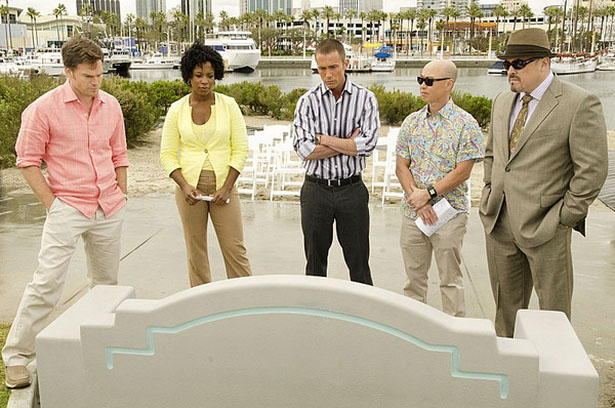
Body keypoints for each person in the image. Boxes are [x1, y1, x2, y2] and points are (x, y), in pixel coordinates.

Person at [3, 36, 128, 388]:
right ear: (68, 71)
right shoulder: (42, 109)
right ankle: (17, 357)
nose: (96, 82)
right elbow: (27, 161)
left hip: (109, 205)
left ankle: (99, 349)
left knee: (106, 285)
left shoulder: (111, 106)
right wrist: (52, 203)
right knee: (47, 283)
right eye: (88, 76)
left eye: (100, 75)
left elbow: (119, 153)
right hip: (67, 206)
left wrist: (122, 192)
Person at [479, 28, 608, 337]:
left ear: (544, 63)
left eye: (519, 63)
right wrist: (489, 191)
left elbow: (592, 170)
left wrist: (564, 217)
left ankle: (551, 366)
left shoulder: (579, 103)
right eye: (507, 63)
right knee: (505, 313)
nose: (510, 70)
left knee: (553, 316)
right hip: (499, 222)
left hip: (547, 226)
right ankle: (510, 362)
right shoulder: (502, 101)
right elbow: (492, 154)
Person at [395, 60, 484, 317]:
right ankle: (414, 331)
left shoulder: (466, 124)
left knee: (450, 280)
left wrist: (429, 194)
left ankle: (454, 332)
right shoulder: (411, 122)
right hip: (413, 214)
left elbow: (463, 171)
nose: (423, 86)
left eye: (429, 81)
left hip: (449, 214)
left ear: (449, 84)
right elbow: (401, 166)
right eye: (420, 80)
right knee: (413, 282)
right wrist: (417, 199)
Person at [160, 41, 252, 287]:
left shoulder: (229, 106)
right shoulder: (176, 110)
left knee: (235, 249)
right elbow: (167, 154)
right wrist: (184, 185)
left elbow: (240, 150)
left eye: (210, 76)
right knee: (196, 251)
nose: (204, 81)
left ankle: (245, 299)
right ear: (188, 76)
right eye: (199, 75)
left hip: (224, 187)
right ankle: (201, 302)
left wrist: (227, 188)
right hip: (189, 190)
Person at [293, 39, 380, 285]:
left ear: (345, 63)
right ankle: (315, 308)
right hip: (316, 190)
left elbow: (368, 145)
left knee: (359, 263)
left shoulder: (366, 99)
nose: (328, 74)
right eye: (322, 69)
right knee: (314, 263)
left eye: (333, 67)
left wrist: (323, 139)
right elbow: (304, 149)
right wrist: (348, 144)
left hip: (351, 189)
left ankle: (363, 308)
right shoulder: (307, 102)